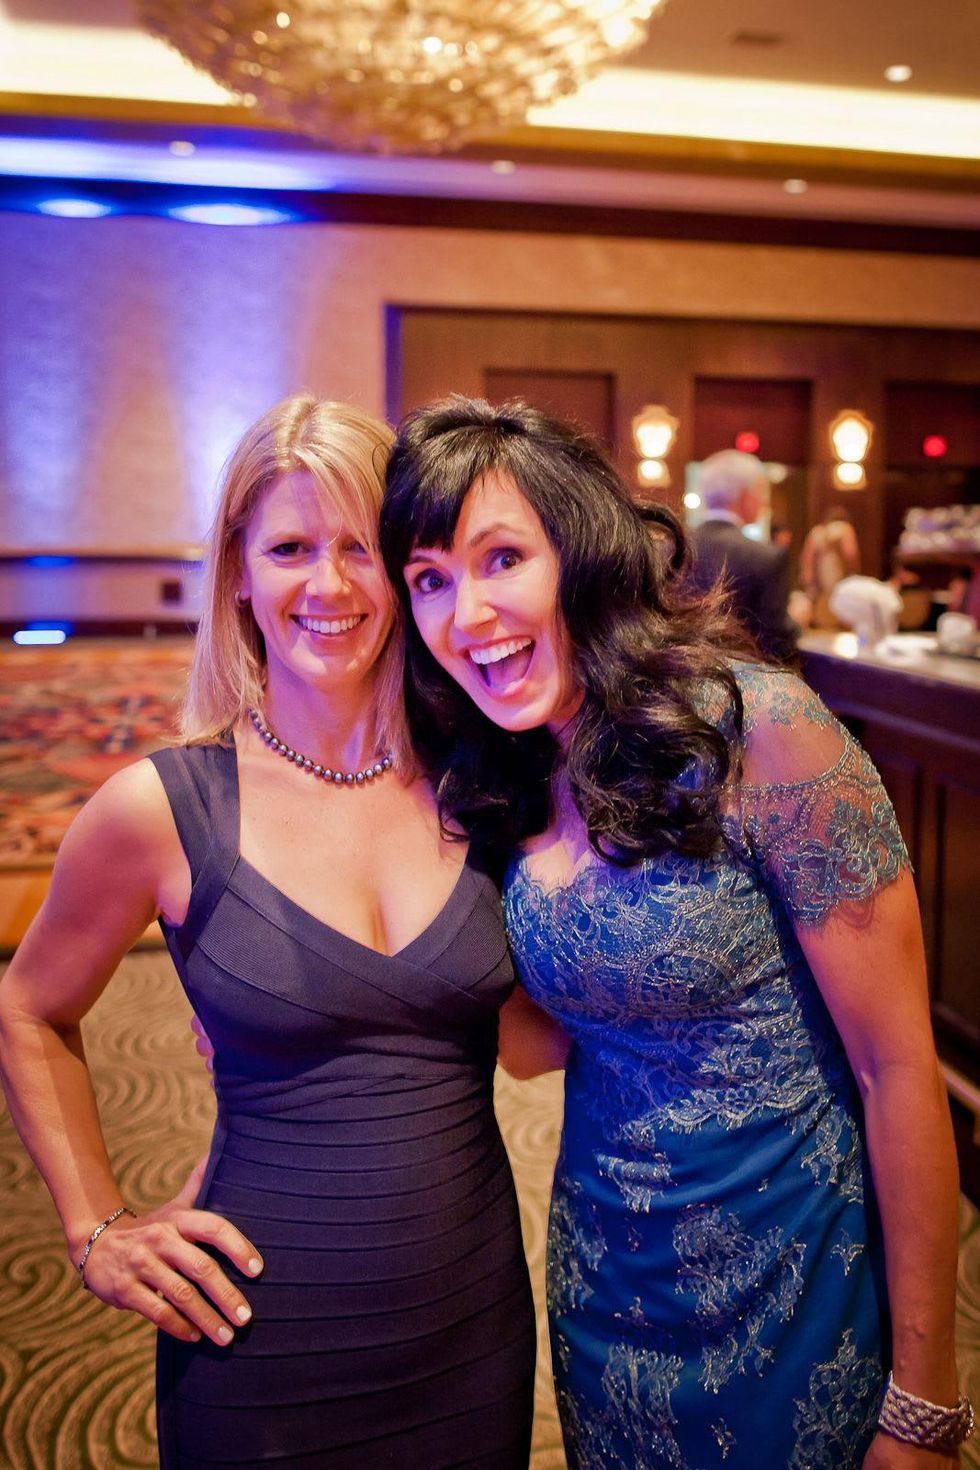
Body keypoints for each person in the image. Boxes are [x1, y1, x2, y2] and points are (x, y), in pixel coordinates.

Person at [379, 396, 970, 1470]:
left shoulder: (761, 733)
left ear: (584, 551)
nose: (466, 615)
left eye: (499, 557)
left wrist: (924, 1401)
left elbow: (897, 1071)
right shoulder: (510, 771)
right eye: (428, 579)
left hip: (792, 1284)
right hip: (606, 1283)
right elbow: (530, 1047)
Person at [0, 396, 535, 1469]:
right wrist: (96, 1228)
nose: (328, 587)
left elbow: (538, 1039)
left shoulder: (484, 785)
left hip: (471, 1322)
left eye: (358, 549)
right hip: (259, 1330)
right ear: (237, 572)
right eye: (290, 548)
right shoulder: (161, 808)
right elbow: (28, 1004)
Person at [687, 448, 798, 660]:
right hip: (743, 684)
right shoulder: (767, 558)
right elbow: (777, 642)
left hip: (679, 679)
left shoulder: (671, 548)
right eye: (762, 492)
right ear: (746, 495)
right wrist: (796, 624)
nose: (765, 503)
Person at [799, 505, 862, 630]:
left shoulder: (816, 531)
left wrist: (808, 580)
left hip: (819, 579)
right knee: (841, 608)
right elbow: (851, 553)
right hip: (837, 574)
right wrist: (854, 573)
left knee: (819, 612)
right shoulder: (845, 528)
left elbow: (807, 558)